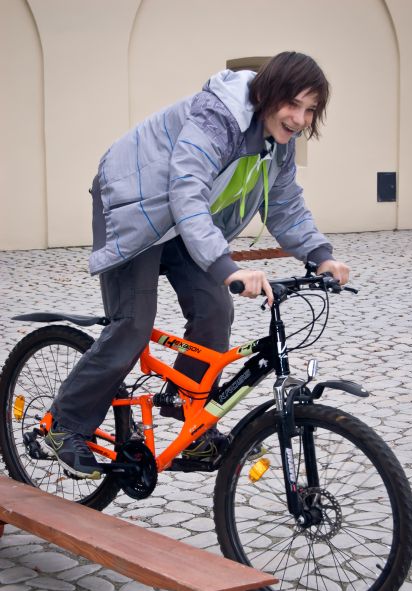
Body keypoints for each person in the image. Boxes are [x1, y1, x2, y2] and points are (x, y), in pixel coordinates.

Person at [45, 51, 350, 478]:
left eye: (310, 110)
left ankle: (188, 413)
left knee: (215, 310)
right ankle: (64, 425)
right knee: (132, 323)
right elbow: (186, 188)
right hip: (138, 208)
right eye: (292, 104)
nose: (300, 119)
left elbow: (284, 205)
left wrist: (321, 256)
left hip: (186, 221)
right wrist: (227, 268)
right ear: (267, 94)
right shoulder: (218, 116)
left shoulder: (278, 143)